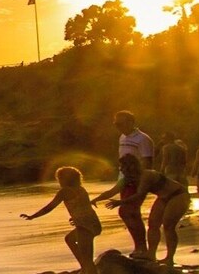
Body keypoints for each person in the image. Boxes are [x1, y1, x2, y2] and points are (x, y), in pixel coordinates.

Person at [92, 154, 190, 264]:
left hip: (178, 195)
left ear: (131, 166)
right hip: (163, 197)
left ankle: (169, 258)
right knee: (153, 225)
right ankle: (151, 254)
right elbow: (112, 191)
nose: (121, 169)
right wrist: (96, 199)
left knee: (168, 226)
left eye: (123, 166)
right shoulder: (128, 179)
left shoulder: (146, 175)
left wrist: (120, 202)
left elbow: (140, 194)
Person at [23, 166, 103, 274]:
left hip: (84, 226)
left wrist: (32, 216)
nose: (59, 181)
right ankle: (84, 267)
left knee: (88, 260)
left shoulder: (65, 191)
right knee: (69, 239)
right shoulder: (81, 189)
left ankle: (87, 269)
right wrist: (75, 217)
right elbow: (83, 206)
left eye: (60, 178)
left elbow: (49, 207)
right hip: (93, 223)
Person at [109, 111, 156, 254]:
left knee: (128, 211)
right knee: (129, 213)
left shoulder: (143, 139)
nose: (117, 126)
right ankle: (140, 247)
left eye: (120, 123)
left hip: (136, 180)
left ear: (131, 122)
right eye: (115, 124)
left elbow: (147, 162)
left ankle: (141, 247)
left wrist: (141, 182)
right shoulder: (122, 137)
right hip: (124, 178)